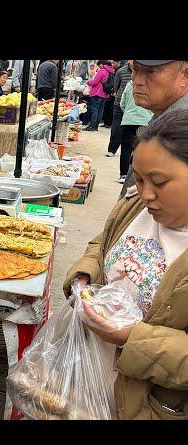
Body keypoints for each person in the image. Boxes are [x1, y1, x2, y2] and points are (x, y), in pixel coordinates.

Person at [64, 109, 188, 419]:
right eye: (140, 178)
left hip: (149, 406)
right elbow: (102, 242)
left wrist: (131, 338)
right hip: (89, 382)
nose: (146, 194)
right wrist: (85, 275)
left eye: (158, 182)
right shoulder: (134, 207)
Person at [120, 60, 188, 197]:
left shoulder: (179, 132)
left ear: (185, 76)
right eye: (135, 69)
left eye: (151, 71)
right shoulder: (164, 119)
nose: (137, 81)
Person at [116, 80, 153, 183]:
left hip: (128, 121)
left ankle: (123, 175)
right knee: (141, 150)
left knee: (126, 149)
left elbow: (122, 103)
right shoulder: (152, 85)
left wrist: (128, 114)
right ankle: (137, 176)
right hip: (145, 122)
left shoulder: (130, 85)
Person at [107, 60, 133, 157]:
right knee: (116, 128)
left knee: (130, 131)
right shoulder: (121, 71)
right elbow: (116, 86)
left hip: (133, 105)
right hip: (119, 104)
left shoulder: (140, 72)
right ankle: (112, 150)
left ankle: (128, 153)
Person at [82, 60, 115, 131]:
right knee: (100, 110)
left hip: (97, 93)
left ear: (102, 65)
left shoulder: (102, 71)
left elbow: (95, 82)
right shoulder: (111, 71)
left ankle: (92, 126)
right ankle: (96, 126)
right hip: (105, 94)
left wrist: (88, 82)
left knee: (95, 110)